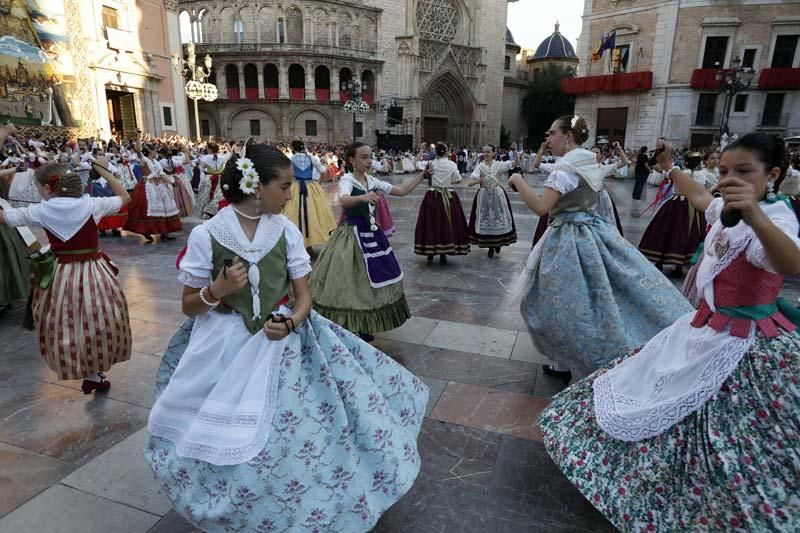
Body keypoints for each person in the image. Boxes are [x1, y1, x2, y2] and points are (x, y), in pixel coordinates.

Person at [144, 141, 427, 532]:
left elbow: (304, 296)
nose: (291, 193)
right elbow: (189, 305)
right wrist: (217, 291)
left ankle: (291, 508)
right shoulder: (208, 234)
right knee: (218, 429)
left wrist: (293, 321)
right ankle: (228, 503)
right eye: (284, 186)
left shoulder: (285, 230)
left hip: (282, 340)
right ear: (256, 187)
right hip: (221, 344)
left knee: (291, 432)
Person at [538, 133, 800, 532]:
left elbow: (789, 262)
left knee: (727, 428)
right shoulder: (726, 207)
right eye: (726, 171)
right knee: (652, 391)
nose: (731, 180)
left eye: (745, 172)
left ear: (773, 174)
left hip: (742, 340)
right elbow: (700, 199)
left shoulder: (776, 216)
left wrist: (756, 215)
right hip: (703, 328)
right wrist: (671, 167)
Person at [508, 115, 691, 383]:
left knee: (561, 303)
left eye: (552, 134)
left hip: (568, 239)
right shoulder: (587, 160)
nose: (549, 140)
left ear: (567, 136)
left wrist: (518, 180)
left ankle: (576, 362)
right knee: (593, 297)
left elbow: (541, 207)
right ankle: (564, 362)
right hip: (594, 232)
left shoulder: (565, 168)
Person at [0, 161, 132, 394]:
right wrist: (104, 172)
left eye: (39, 188)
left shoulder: (41, 210)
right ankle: (95, 371)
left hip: (61, 273)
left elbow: (5, 218)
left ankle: (84, 369)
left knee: (66, 322)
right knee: (97, 320)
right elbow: (124, 197)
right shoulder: (92, 204)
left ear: (48, 188)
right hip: (94, 270)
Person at [311, 142, 427, 341]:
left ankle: (363, 322)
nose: (369, 161)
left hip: (372, 234)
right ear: (352, 160)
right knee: (349, 281)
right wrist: (363, 197)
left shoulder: (371, 180)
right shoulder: (347, 179)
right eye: (364, 157)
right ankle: (349, 323)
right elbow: (344, 200)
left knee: (369, 282)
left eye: (370, 157)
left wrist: (421, 176)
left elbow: (400, 190)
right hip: (351, 235)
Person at [532, 142, 627, 246]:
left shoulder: (602, 168)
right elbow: (538, 165)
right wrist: (541, 150)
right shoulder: (570, 169)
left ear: (601, 156)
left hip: (598, 202)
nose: (594, 155)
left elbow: (624, 162)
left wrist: (619, 149)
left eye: (597, 153)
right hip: (579, 206)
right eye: (592, 153)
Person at [638, 151, 707, 278]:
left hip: (677, 203)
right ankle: (678, 265)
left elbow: (661, 170)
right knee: (685, 233)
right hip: (692, 206)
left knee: (668, 230)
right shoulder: (701, 174)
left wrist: (658, 160)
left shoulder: (680, 173)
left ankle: (661, 261)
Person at [414, 142, 470, 264]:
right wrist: (448, 182)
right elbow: (459, 179)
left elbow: (416, 163)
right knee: (447, 223)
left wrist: (421, 150)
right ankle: (444, 252)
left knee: (431, 222)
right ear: (446, 152)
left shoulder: (430, 163)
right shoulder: (452, 164)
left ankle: (430, 253)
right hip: (448, 195)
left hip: (432, 195)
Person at [284, 139, 337, 252]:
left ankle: (299, 246)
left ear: (293, 148)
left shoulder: (290, 159)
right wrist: (318, 183)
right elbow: (324, 171)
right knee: (313, 215)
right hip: (310, 187)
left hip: (295, 186)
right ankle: (309, 246)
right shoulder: (311, 158)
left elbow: (287, 175)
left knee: (294, 214)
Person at [124, 144, 182, 243]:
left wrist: (172, 183)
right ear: (151, 152)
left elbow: (162, 174)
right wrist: (138, 136)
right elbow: (138, 151)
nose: (157, 153)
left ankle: (165, 233)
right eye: (155, 151)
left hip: (158, 186)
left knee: (164, 208)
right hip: (147, 186)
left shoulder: (156, 162)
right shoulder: (144, 160)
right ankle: (145, 231)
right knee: (146, 208)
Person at [467, 144, 517, 258]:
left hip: (497, 195)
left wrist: (514, 152)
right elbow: (470, 183)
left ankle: (498, 243)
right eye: (484, 152)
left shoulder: (498, 165)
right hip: (484, 195)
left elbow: (515, 163)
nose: (485, 154)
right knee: (487, 218)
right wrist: (478, 180)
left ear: (494, 153)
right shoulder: (480, 166)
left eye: (488, 152)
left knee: (498, 218)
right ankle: (490, 246)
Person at [631, 145, 650, 216]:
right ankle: (637, 196)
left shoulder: (639, 155)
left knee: (637, 183)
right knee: (641, 185)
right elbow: (646, 165)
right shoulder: (645, 156)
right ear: (645, 150)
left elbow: (635, 162)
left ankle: (634, 195)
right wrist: (650, 170)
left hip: (638, 171)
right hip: (643, 172)